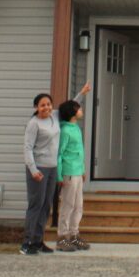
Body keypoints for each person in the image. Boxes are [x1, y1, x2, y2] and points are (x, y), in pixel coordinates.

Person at [21, 82, 91, 255]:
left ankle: (38, 241)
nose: (46, 107)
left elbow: (70, 107)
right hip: (38, 169)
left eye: (48, 104)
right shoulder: (34, 123)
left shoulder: (54, 116)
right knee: (36, 205)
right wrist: (33, 169)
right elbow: (28, 148)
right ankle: (27, 242)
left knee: (46, 205)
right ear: (36, 107)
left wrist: (81, 93)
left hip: (52, 168)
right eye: (42, 105)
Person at [55, 99, 89, 252]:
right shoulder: (65, 131)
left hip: (77, 172)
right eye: (78, 108)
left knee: (78, 205)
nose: (81, 110)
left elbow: (79, 152)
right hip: (68, 172)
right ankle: (63, 237)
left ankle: (74, 234)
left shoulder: (76, 128)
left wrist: (82, 170)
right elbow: (60, 153)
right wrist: (59, 176)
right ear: (72, 113)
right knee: (67, 205)